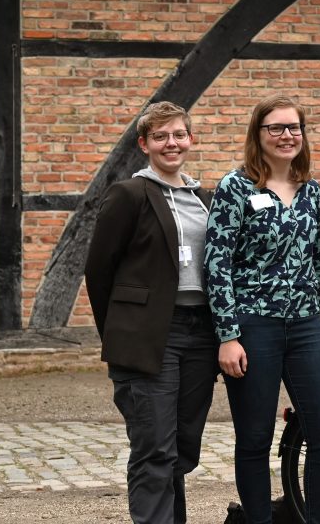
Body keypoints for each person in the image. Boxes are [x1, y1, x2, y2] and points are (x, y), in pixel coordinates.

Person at [205, 97, 320, 524]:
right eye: (276, 128)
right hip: (252, 326)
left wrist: (314, 311)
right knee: (254, 438)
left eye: (294, 128)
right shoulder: (236, 187)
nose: (286, 136)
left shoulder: (312, 191)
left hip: (305, 326)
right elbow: (217, 263)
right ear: (258, 136)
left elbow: (315, 257)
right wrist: (227, 335)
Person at [85, 102, 217, 524]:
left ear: (190, 140)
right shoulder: (130, 194)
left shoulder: (205, 199)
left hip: (200, 335)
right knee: (154, 448)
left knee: (182, 447)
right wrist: (123, 333)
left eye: (178, 134)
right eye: (160, 136)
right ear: (145, 144)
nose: (171, 143)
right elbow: (99, 269)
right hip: (150, 337)